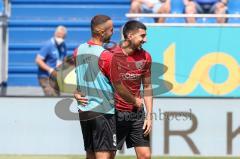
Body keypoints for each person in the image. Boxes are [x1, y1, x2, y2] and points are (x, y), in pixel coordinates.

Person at [110, 20, 153, 159]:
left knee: (145, 156)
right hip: (113, 113)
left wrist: (149, 115)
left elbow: (147, 87)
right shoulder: (111, 54)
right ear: (130, 36)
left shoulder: (145, 57)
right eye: (142, 36)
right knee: (108, 155)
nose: (145, 40)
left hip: (136, 113)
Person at [35, 25, 67, 96]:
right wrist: (49, 69)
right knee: (51, 96)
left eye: (62, 36)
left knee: (57, 97)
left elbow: (63, 59)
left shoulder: (63, 46)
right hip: (45, 77)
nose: (60, 38)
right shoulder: (48, 45)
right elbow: (38, 60)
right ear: (55, 34)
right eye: (58, 35)